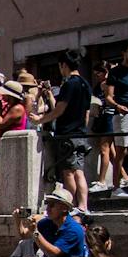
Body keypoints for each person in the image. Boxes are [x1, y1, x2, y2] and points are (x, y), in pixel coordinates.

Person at [45, 51, 93, 212]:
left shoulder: (69, 84)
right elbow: (87, 112)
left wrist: (40, 119)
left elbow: (59, 110)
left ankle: (70, 205)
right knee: (79, 171)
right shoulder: (86, 84)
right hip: (80, 133)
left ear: (63, 65)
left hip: (67, 134)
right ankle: (83, 205)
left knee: (68, 173)